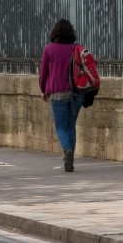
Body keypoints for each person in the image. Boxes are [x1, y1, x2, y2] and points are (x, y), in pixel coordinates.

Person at [38, 18, 85, 172]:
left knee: (60, 127)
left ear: (54, 32)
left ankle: (67, 150)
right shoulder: (78, 48)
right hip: (77, 93)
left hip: (57, 93)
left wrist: (44, 90)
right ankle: (70, 159)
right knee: (71, 126)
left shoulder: (49, 49)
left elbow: (43, 74)